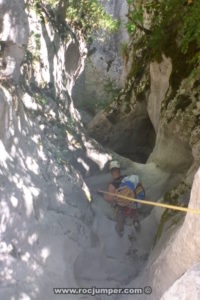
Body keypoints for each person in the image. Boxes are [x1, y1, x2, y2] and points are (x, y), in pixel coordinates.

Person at [98, 160, 140, 237]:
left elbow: (110, 199)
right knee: (133, 213)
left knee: (120, 221)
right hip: (132, 203)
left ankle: (120, 232)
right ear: (119, 170)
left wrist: (102, 194)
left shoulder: (112, 185)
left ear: (111, 171)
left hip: (122, 208)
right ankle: (136, 221)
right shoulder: (127, 177)